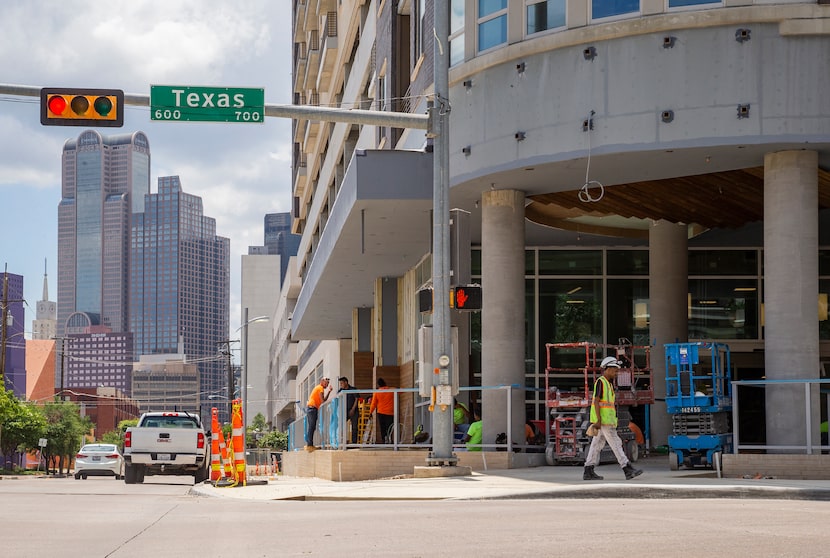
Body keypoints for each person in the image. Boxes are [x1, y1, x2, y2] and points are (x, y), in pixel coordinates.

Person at [583, 356, 643, 481]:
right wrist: (598, 420)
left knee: (596, 445)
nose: (616, 373)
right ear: (608, 369)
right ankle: (627, 468)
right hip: (603, 422)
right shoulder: (601, 382)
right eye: (615, 370)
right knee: (616, 443)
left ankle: (588, 470)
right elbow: (596, 402)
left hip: (606, 421)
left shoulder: (608, 384)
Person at [305, 377, 331, 451]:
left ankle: (309, 444)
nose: (327, 385)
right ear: (322, 381)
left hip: (311, 408)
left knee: (311, 427)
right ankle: (309, 445)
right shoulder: (320, 388)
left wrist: (329, 391)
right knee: (312, 427)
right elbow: (323, 401)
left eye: (328, 383)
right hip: (312, 408)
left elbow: (323, 400)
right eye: (326, 383)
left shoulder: (319, 388)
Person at [369, 378, 395, 443]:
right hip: (390, 412)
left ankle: (384, 440)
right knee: (389, 427)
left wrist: (370, 412)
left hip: (381, 412)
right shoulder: (391, 390)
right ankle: (390, 439)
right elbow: (401, 390)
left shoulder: (377, 392)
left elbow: (373, 403)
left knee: (382, 427)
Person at [338, 376, 359, 445]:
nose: (341, 385)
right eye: (340, 384)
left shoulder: (353, 389)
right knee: (341, 426)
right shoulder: (340, 391)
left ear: (346, 382)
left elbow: (356, 399)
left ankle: (354, 443)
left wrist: (353, 409)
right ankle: (343, 441)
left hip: (354, 410)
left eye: (341, 383)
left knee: (354, 427)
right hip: (344, 411)